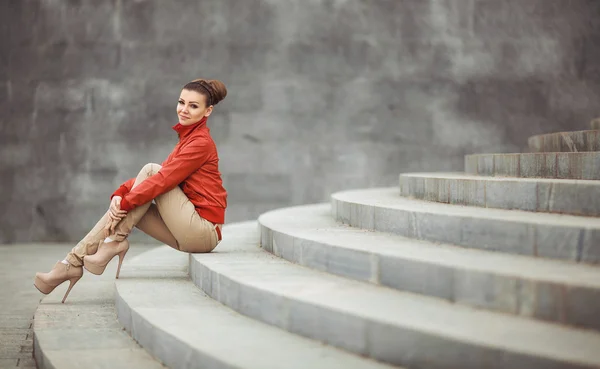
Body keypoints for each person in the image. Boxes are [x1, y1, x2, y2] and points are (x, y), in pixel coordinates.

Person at [33, 78, 228, 303]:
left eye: (193, 106)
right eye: (181, 102)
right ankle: (71, 263)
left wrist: (125, 202)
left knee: (150, 173)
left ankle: (110, 245)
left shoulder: (200, 142)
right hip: (186, 231)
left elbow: (161, 179)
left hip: (204, 231)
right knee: (138, 196)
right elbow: (160, 177)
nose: (183, 110)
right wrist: (119, 194)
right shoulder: (187, 139)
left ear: (207, 111)